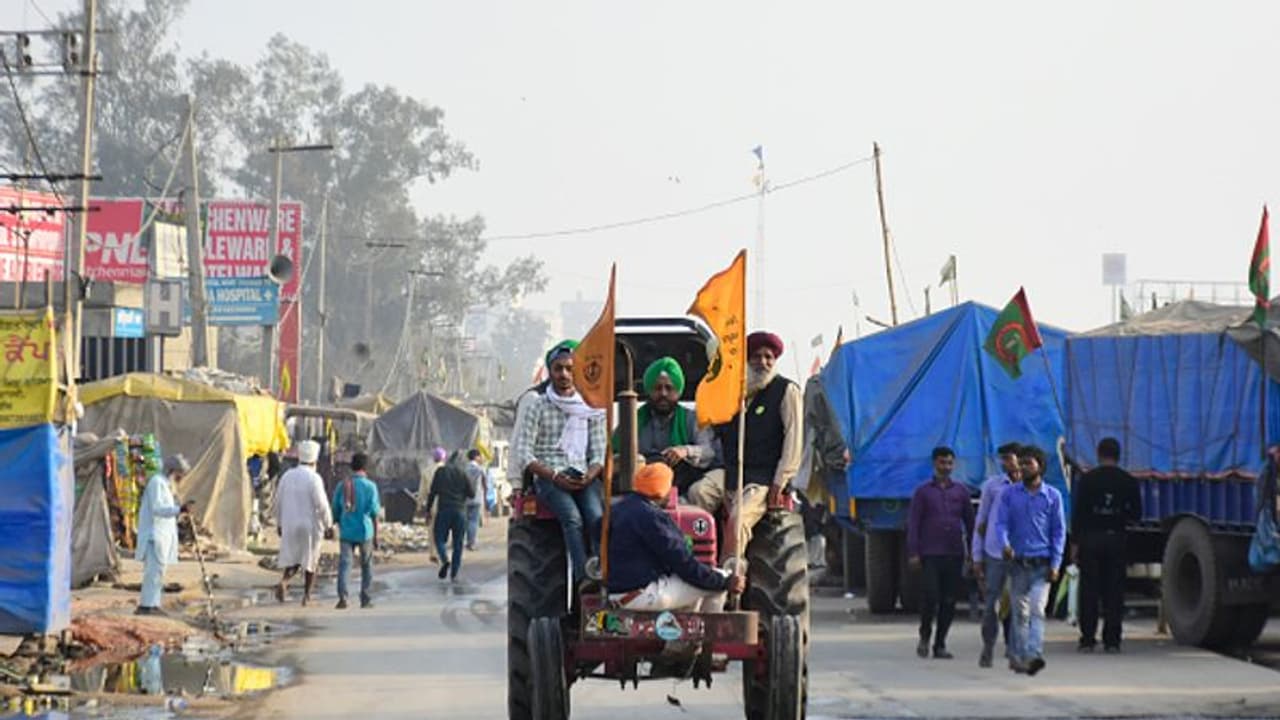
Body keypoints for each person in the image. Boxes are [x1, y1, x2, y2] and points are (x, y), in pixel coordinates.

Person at [687, 331, 803, 564]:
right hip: (731, 472)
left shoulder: (786, 391)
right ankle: (696, 561)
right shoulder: (733, 394)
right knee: (697, 493)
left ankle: (730, 572)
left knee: (739, 519)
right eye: (757, 356)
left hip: (763, 478)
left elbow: (794, 439)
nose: (763, 362)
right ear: (747, 360)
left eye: (768, 357)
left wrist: (781, 481)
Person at [511, 340, 607, 584]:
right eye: (558, 368)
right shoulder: (537, 405)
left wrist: (590, 475)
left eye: (569, 368)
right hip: (550, 478)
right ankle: (583, 577)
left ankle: (602, 572)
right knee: (572, 518)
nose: (564, 374)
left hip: (583, 476)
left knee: (596, 517)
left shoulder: (592, 408)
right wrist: (554, 476)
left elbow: (598, 452)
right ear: (550, 372)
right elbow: (524, 453)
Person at [607, 463, 745, 611]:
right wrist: (724, 582)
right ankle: (710, 631)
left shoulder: (617, 509)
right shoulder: (652, 517)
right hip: (643, 595)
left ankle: (689, 629)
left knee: (696, 585)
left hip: (616, 594)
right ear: (662, 489)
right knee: (718, 580)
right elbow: (683, 563)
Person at [995, 444, 1066, 676]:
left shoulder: (1053, 496)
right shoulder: (1009, 495)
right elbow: (1001, 523)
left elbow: (1058, 532)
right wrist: (1004, 544)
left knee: (1037, 609)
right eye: (1021, 463)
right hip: (1018, 564)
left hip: (1042, 564)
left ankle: (1034, 654)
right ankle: (1019, 655)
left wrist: (1056, 564)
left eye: (1029, 463)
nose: (1023, 467)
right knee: (1020, 613)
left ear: (1040, 466)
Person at [1072, 437, 1142, 653]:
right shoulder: (1128, 481)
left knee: (1089, 590)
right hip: (1116, 539)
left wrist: (1075, 545)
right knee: (1114, 591)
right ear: (1118, 455)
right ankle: (1112, 640)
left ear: (1098, 454)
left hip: (1091, 539)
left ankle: (1087, 639)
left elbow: (1078, 514)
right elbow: (1136, 515)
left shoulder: (1087, 480)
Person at [906, 447, 976, 660]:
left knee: (949, 600)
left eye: (949, 463)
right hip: (930, 553)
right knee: (931, 597)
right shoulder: (923, 492)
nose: (946, 466)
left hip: (954, 552)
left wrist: (974, 553)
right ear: (934, 463)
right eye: (942, 462)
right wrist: (914, 552)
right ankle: (925, 634)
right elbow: (914, 523)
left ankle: (940, 643)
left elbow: (970, 523)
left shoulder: (961, 492)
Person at [621, 356, 718, 500]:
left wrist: (685, 450)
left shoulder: (693, 419)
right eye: (658, 388)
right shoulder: (633, 421)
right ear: (649, 390)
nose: (663, 394)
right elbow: (614, 454)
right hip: (640, 492)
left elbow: (709, 451)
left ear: (679, 392)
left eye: (669, 388)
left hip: (682, 491)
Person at [972, 442, 1022, 667]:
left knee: (1016, 604)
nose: (1006, 463)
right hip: (995, 553)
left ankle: (1013, 648)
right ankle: (988, 645)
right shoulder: (992, 487)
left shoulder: (1032, 488)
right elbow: (981, 522)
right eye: (1003, 459)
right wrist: (977, 556)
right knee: (992, 602)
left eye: (1010, 458)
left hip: (1022, 555)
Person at [275, 440, 334, 606]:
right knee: (310, 561)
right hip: (310, 526)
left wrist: (279, 523)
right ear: (314, 461)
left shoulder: (287, 476)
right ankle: (307, 596)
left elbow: (277, 501)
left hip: (289, 523)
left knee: (293, 558)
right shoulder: (314, 478)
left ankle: (285, 581)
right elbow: (321, 504)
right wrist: (329, 525)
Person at [135, 454, 192, 615]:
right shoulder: (157, 483)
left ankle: (153, 603)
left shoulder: (166, 485)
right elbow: (158, 508)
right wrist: (178, 510)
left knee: (159, 572)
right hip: (154, 535)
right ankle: (147, 605)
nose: (181, 477)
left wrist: (179, 510)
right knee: (153, 572)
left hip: (162, 535)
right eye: (179, 473)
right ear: (172, 471)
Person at [332, 452, 381, 609]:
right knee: (366, 565)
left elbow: (335, 508)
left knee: (345, 564)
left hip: (346, 530)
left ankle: (343, 597)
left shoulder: (342, 485)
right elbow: (374, 512)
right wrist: (376, 536)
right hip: (365, 530)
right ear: (365, 468)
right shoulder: (370, 487)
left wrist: (337, 522)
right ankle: (365, 599)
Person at [425, 450, 474, 581]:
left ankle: (445, 559)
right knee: (458, 543)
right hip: (460, 512)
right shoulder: (463, 473)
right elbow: (472, 493)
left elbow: (432, 493)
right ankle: (454, 573)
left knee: (439, 538)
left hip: (444, 510)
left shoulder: (441, 472)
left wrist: (427, 510)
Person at [464, 449, 488, 550]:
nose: (481, 458)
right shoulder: (480, 469)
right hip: (477, 498)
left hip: (465, 498)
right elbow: (485, 484)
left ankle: (465, 541)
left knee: (466, 520)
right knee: (473, 521)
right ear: (476, 457)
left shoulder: (464, 469)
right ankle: (471, 543)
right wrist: (485, 497)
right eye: (480, 456)